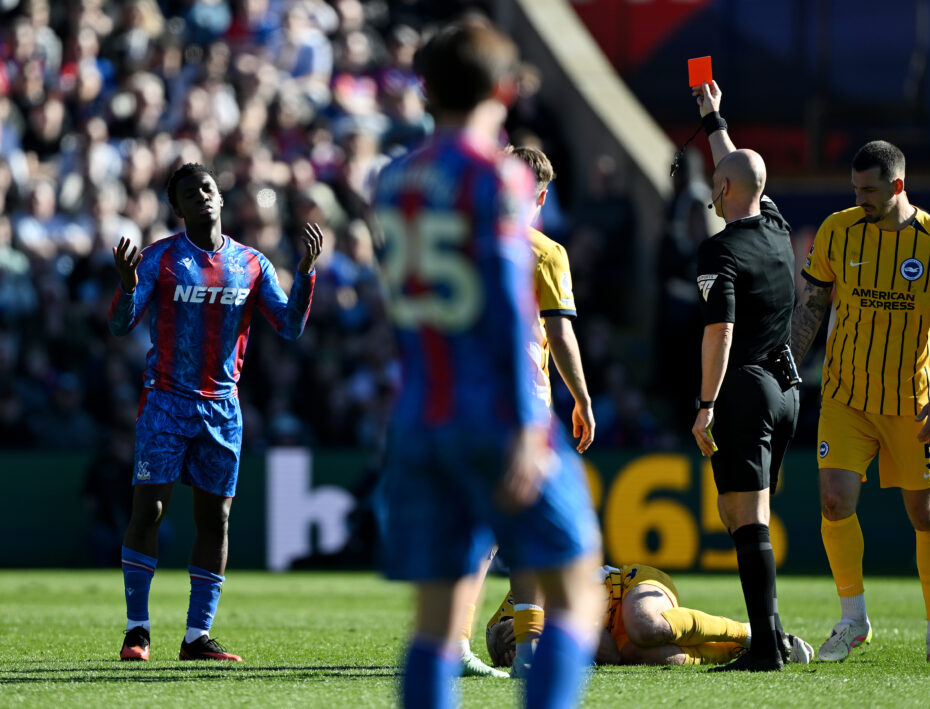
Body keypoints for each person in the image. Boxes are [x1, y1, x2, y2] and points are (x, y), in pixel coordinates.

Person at [372, 20, 603, 709]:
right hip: (496, 411)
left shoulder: (394, 181)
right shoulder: (494, 179)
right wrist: (529, 426)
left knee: (437, 623)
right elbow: (509, 309)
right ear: (505, 88)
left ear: (425, 90)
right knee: (578, 590)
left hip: (418, 414)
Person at [110, 162, 323, 662]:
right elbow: (121, 326)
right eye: (189, 193)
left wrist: (307, 274)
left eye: (207, 188)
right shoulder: (159, 259)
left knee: (215, 521)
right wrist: (125, 285)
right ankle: (137, 632)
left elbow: (289, 327)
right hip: (165, 401)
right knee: (150, 511)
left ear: (220, 197)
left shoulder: (252, 264)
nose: (202, 196)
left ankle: (195, 637)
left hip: (221, 409)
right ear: (177, 207)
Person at [789, 140, 930, 664]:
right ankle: (853, 620)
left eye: (868, 190)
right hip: (846, 396)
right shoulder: (837, 230)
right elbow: (813, 307)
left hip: (914, 401)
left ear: (896, 186)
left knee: (926, 513)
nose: (859, 198)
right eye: (854, 188)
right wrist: (785, 365)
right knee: (833, 500)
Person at [687, 80, 801, 672]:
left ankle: (765, 648)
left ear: (723, 189)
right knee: (740, 514)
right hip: (787, 391)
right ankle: (773, 635)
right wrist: (713, 119)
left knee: (745, 516)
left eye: (715, 180)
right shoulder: (778, 226)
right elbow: (740, 171)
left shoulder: (719, 251)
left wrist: (706, 403)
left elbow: (719, 333)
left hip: (745, 390)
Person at [502, 144, 597, 678]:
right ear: (541, 195)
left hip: (462, 395)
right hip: (523, 401)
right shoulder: (545, 251)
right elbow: (559, 333)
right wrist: (582, 399)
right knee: (535, 523)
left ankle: (449, 643)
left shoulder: (466, 242)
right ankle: (531, 647)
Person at [486, 564, 814, 668]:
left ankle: (750, 631)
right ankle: (738, 649)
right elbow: (609, 652)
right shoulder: (508, 625)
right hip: (615, 636)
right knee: (662, 657)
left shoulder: (538, 584)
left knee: (646, 624)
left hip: (632, 585)